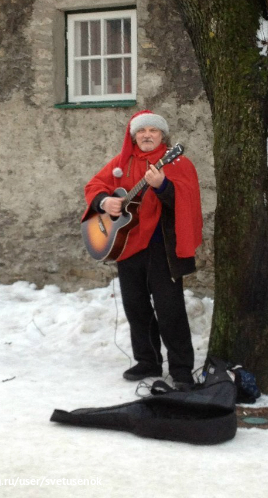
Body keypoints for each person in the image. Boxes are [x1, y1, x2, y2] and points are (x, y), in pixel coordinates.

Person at [82, 111, 203, 387]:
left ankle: (181, 369)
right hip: (128, 245)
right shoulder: (122, 163)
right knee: (135, 307)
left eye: (153, 130)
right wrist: (104, 202)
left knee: (170, 309)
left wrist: (162, 186)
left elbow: (185, 202)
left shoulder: (177, 162)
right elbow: (94, 185)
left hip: (162, 247)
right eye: (141, 131)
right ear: (134, 136)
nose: (147, 135)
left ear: (163, 135)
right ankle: (148, 361)